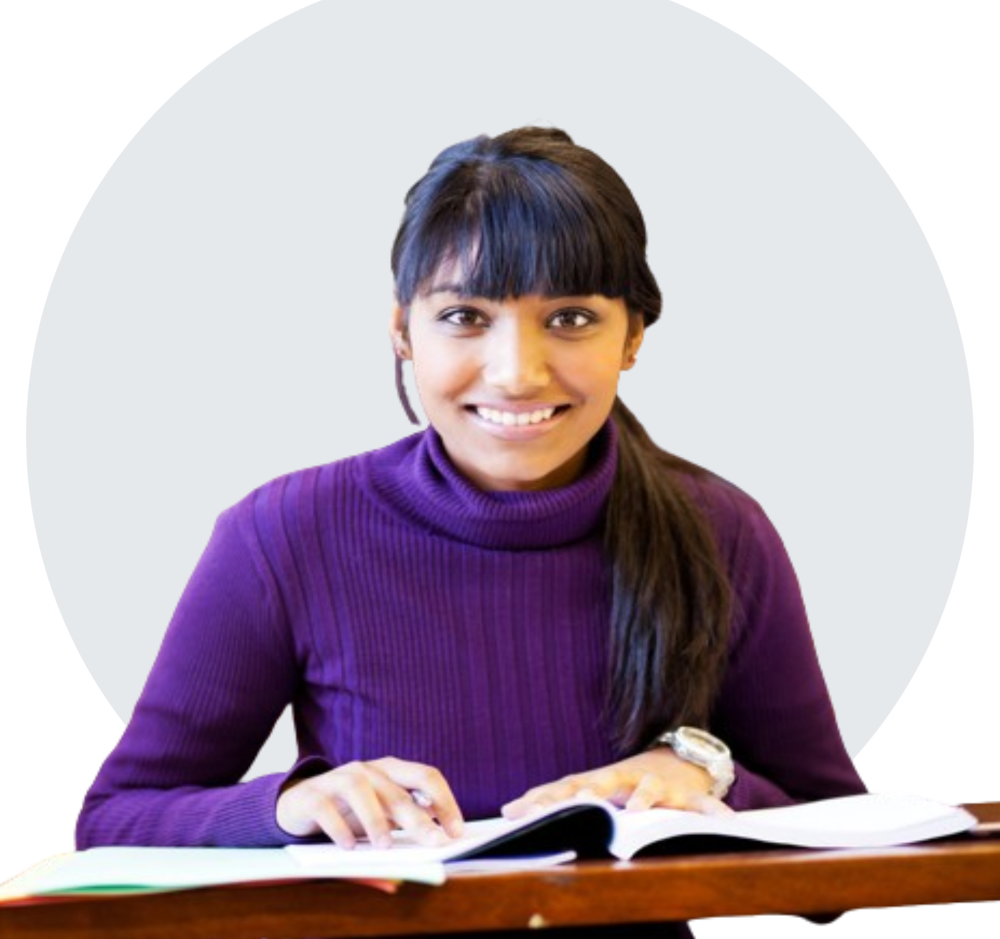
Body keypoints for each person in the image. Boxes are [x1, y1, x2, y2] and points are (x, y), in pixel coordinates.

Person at [74, 123, 867, 936]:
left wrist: (709, 782)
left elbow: (843, 826)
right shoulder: (280, 533)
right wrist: (286, 805)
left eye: (569, 318)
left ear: (632, 336)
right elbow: (115, 819)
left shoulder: (724, 529)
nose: (517, 371)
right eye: (464, 315)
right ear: (400, 329)